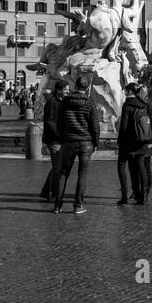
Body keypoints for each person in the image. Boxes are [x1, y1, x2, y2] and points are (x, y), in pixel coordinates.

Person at [54, 75, 100, 214]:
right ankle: (78, 205)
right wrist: (95, 143)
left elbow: (59, 122)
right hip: (85, 142)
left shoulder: (65, 101)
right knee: (82, 174)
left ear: (75, 86)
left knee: (63, 173)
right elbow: (95, 126)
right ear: (87, 88)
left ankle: (57, 205)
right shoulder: (90, 102)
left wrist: (63, 138)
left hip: (69, 141)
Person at [117, 81, 152, 203]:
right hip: (143, 141)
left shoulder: (141, 105)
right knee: (138, 167)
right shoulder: (144, 105)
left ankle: (144, 191)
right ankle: (139, 193)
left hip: (141, 141)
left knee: (143, 167)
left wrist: (151, 141)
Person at [40, 79, 69, 201]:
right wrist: (59, 132)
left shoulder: (64, 101)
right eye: (65, 90)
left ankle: (46, 191)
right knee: (58, 168)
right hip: (54, 139)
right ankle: (54, 193)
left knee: (57, 167)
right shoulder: (52, 102)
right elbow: (49, 121)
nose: (68, 91)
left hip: (61, 139)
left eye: (68, 89)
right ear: (58, 90)